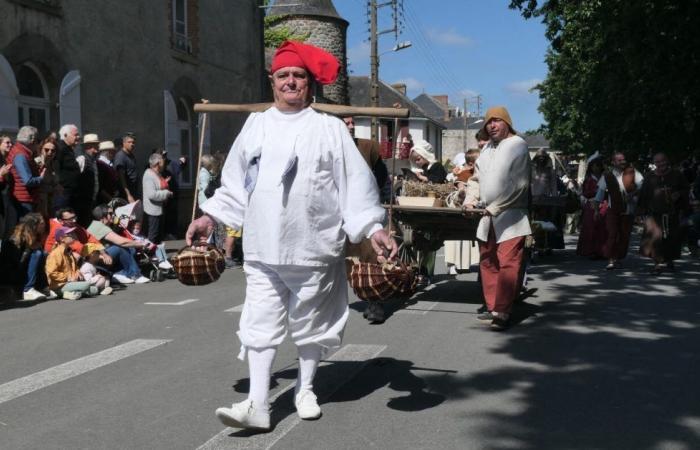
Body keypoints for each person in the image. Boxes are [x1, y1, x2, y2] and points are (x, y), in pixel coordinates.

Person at [185, 40, 396, 431]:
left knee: (311, 323)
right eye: (284, 76)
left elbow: (355, 186)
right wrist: (209, 217)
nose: (291, 82)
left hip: (313, 246)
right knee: (260, 323)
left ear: (309, 83)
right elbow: (234, 184)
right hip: (263, 246)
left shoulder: (330, 129)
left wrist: (373, 227)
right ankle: (258, 403)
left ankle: (305, 388)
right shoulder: (257, 124)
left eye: (298, 76)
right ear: (273, 81)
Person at [465, 106, 531, 331]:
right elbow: (475, 179)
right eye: (488, 122)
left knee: (508, 263)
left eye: (496, 121)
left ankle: (503, 311)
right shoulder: (486, 150)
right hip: (487, 216)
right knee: (488, 261)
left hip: (511, 216)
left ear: (507, 123)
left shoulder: (518, 146)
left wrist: (495, 207)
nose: (491, 125)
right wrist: (469, 199)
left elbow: (520, 185)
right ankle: (493, 308)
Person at [342, 115, 391, 323]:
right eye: (346, 122)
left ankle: (375, 303)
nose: (351, 126)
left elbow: (382, 177)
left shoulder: (368, 147)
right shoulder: (323, 146)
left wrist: (374, 200)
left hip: (363, 209)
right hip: (335, 212)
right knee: (341, 261)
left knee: (371, 256)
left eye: (353, 122)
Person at [638, 153, 689, 273]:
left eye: (663, 161)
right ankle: (657, 264)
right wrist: (640, 213)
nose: (661, 164)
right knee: (656, 239)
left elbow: (686, 188)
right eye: (658, 162)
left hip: (672, 213)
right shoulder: (649, 176)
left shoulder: (677, 175)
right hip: (654, 214)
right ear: (655, 163)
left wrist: (679, 194)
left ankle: (669, 260)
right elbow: (643, 196)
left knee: (671, 239)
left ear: (667, 161)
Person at [593, 152, 643, 270]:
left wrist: (633, 194)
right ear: (613, 162)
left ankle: (618, 257)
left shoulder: (632, 172)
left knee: (624, 236)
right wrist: (596, 211)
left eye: (623, 160)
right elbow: (599, 194)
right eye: (619, 160)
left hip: (628, 210)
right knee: (612, 234)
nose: (622, 162)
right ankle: (611, 259)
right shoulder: (607, 175)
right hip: (613, 209)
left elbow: (643, 186)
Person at [87, 204, 150, 284]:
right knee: (119, 248)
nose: (113, 215)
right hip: (95, 259)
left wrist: (135, 244)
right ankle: (135, 275)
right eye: (110, 213)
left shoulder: (100, 225)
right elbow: (121, 242)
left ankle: (120, 273)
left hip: (103, 256)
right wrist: (141, 243)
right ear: (102, 216)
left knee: (131, 249)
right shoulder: (98, 226)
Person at [445, 149, 481, 275]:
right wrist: (463, 192)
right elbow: (461, 188)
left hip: (474, 209)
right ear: (471, 164)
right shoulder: (465, 174)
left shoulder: (480, 174)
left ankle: (467, 263)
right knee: (455, 241)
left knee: (468, 242)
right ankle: (453, 264)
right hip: (460, 209)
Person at [9, 212, 51, 300]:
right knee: (37, 254)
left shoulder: (36, 236)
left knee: (43, 253)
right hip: (14, 272)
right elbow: (16, 261)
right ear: (34, 225)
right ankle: (28, 289)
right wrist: (29, 249)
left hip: (24, 269)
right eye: (42, 223)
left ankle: (41, 287)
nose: (44, 225)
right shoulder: (18, 238)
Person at [45, 226, 95, 300]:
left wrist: (77, 272)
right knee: (87, 285)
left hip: (70, 283)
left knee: (94, 289)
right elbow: (51, 272)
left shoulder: (68, 252)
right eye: (69, 234)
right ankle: (63, 293)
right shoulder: (55, 254)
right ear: (62, 239)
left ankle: (70, 293)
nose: (73, 235)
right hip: (60, 285)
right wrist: (68, 278)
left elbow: (75, 267)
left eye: (72, 233)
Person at [7, 126, 44, 219]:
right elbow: (27, 181)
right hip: (24, 200)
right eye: (37, 139)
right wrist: (42, 178)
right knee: (26, 229)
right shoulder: (21, 155)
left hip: (22, 198)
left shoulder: (20, 150)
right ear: (32, 139)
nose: (38, 143)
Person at [576, 154, 607, 258]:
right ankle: (590, 251)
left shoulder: (605, 177)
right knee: (591, 228)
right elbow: (585, 193)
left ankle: (602, 251)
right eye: (593, 166)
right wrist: (596, 191)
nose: (596, 168)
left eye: (597, 165)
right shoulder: (589, 179)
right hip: (591, 205)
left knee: (602, 228)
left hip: (603, 205)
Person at [142, 152, 173, 245]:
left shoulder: (156, 174)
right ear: (157, 164)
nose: (164, 163)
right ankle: (149, 256)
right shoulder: (149, 175)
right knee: (153, 235)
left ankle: (158, 256)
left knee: (159, 236)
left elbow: (157, 186)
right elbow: (152, 194)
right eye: (162, 161)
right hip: (153, 211)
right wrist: (166, 193)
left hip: (159, 209)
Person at [74, 133, 101, 226]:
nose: (96, 149)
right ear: (87, 147)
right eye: (94, 146)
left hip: (92, 201)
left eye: (97, 146)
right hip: (82, 202)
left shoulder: (94, 162)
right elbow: (75, 179)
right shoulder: (81, 159)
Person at [55, 124, 81, 209]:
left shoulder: (69, 149)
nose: (78, 137)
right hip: (64, 192)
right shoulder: (60, 148)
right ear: (65, 135)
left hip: (71, 192)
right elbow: (56, 169)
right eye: (75, 135)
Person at [34, 136, 61, 220]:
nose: (50, 152)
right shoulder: (37, 162)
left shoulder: (53, 164)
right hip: (40, 202)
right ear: (41, 149)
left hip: (51, 201)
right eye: (46, 150)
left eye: (53, 151)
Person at [114, 133, 139, 202]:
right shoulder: (120, 156)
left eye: (133, 142)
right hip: (125, 194)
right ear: (124, 143)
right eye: (129, 142)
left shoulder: (131, 155)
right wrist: (128, 195)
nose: (132, 144)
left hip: (133, 191)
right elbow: (121, 177)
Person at [1, 134, 14, 240]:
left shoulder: (6, 159)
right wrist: (1, 175)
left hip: (6, 198)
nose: (10, 145)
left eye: (11, 142)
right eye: (7, 142)